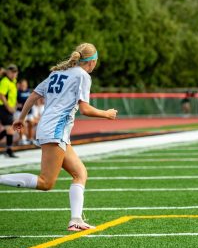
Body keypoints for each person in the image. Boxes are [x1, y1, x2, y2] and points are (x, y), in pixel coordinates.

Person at [0, 43, 118, 231]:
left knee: (80, 173)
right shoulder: (83, 76)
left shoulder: (57, 73)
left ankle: (76, 220)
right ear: (93, 61)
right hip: (56, 130)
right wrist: (107, 114)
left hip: (53, 129)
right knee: (46, 182)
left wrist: (20, 118)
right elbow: (85, 109)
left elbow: (32, 97)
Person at [0, 64, 19, 157]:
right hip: (3, 107)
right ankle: (9, 151)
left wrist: (15, 105)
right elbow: (2, 95)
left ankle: (9, 150)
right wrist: (8, 107)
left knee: (9, 129)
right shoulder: (5, 81)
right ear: (8, 72)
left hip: (10, 108)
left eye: (15, 72)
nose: (13, 74)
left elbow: (13, 95)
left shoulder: (13, 81)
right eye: (12, 72)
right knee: (10, 128)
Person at [15, 78, 33, 144]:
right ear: (20, 85)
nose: (23, 86)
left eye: (25, 84)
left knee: (31, 123)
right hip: (20, 111)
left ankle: (30, 138)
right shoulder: (17, 92)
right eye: (22, 84)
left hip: (29, 111)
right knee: (21, 124)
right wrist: (17, 104)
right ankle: (21, 139)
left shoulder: (29, 91)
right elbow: (14, 101)